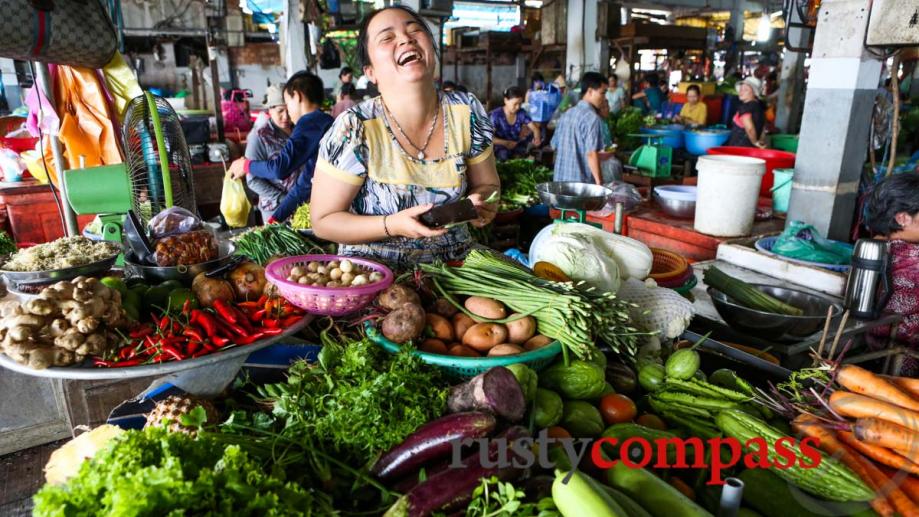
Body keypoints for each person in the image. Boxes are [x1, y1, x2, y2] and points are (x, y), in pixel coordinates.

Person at [309, 5, 499, 268]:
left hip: (457, 271)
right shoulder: (355, 127)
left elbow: (488, 187)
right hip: (375, 277)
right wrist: (392, 225)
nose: (406, 39)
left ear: (432, 50)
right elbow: (323, 221)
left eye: (415, 30)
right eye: (387, 38)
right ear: (370, 72)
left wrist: (485, 204)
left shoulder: (466, 112)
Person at [228, 71, 334, 223]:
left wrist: (245, 165)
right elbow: (305, 183)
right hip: (287, 206)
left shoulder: (310, 123)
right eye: (280, 110)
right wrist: (276, 217)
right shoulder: (324, 121)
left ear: (296, 96)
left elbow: (280, 169)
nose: (288, 113)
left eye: (287, 104)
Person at [865, 173, 919, 376]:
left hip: (878, 350)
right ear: (902, 218)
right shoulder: (912, 258)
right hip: (908, 363)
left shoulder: (876, 246)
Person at [243, 85, 301, 223]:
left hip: (302, 204)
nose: (286, 116)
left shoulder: (299, 130)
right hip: (275, 209)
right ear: (270, 110)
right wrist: (283, 198)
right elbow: (253, 180)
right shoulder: (259, 136)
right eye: (280, 111)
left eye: (288, 110)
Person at [551, 72, 608, 185]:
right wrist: (600, 183)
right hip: (580, 187)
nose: (604, 98)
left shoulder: (567, 114)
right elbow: (591, 154)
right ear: (590, 91)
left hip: (560, 182)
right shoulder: (592, 118)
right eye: (602, 93)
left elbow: (554, 145)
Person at [490, 86, 541, 161]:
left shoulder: (521, 113)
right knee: (503, 155)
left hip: (516, 144)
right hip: (501, 146)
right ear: (506, 100)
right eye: (515, 104)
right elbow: (488, 137)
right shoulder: (496, 115)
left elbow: (535, 129)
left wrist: (537, 138)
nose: (518, 107)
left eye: (520, 104)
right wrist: (506, 143)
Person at [728, 76, 766, 148]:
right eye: (741, 89)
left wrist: (755, 142)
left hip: (740, 148)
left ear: (754, 93)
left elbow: (750, 128)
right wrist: (760, 142)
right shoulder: (759, 108)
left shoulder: (745, 108)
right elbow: (763, 129)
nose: (741, 92)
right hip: (751, 150)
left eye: (746, 90)